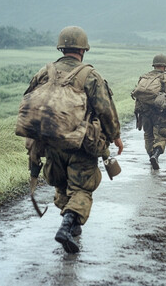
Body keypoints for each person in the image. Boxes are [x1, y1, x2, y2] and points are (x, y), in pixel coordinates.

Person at [21, 26, 123, 253]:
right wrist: (115, 137)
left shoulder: (44, 72)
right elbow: (105, 110)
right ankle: (68, 225)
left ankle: (72, 224)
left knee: (62, 185)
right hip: (81, 145)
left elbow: (29, 103)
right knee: (83, 188)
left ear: (61, 47)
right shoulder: (91, 76)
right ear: (83, 50)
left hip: (51, 144)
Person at [133, 54, 166, 170]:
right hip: (161, 113)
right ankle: (156, 155)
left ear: (154, 65)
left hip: (145, 112)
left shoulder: (144, 77)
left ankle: (151, 155)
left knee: (148, 135)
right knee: (162, 136)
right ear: (165, 66)